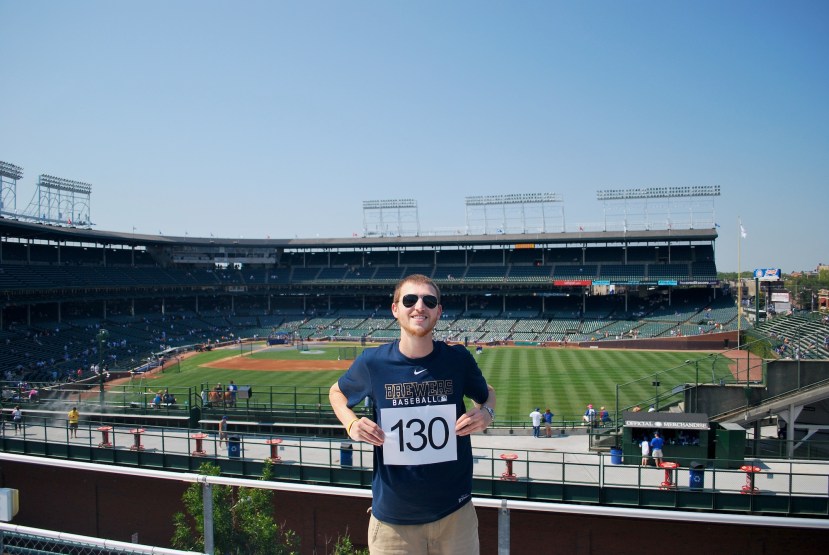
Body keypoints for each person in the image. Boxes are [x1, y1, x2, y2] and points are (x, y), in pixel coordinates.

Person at [329, 274, 495, 554]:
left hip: (456, 517)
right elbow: (337, 393)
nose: (420, 306)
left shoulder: (458, 359)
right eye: (410, 300)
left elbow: (487, 392)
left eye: (429, 301)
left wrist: (487, 413)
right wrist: (351, 424)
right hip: (394, 526)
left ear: (438, 311)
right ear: (395, 309)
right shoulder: (373, 362)